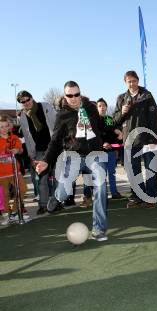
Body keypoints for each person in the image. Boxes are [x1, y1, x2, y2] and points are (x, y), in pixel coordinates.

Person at [36, 81, 108, 242]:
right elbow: (55, 141)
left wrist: (114, 129)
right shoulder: (62, 115)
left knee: (101, 186)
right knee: (63, 191)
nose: (74, 98)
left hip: (95, 155)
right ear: (65, 96)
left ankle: (99, 228)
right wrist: (46, 160)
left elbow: (102, 125)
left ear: (80, 93)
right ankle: (56, 197)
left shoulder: (91, 108)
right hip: (73, 156)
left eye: (77, 94)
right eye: (70, 95)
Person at [113, 70, 157, 208]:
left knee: (150, 169)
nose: (132, 83)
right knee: (134, 171)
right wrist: (122, 112)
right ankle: (137, 197)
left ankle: (151, 197)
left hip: (146, 139)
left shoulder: (147, 95)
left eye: (134, 81)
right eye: (129, 81)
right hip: (129, 141)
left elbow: (154, 119)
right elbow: (115, 120)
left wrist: (154, 139)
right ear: (125, 82)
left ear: (138, 81)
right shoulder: (121, 98)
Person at [16, 90, 56, 215]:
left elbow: (57, 124)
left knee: (57, 178)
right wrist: (31, 155)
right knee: (41, 179)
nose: (26, 103)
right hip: (39, 151)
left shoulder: (45, 106)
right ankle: (43, 205)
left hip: (54, 148)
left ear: (32, 98)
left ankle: (55, 203)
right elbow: (27, 138)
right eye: (23, 102)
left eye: (28, 99)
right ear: (21, 104)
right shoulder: (22, 116)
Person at [81, 98, 124, 207]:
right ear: (96, 108)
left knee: (112, 172)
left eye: (104, 105)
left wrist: (117, 138)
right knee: (100, 174)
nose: (102, 107)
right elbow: (96, 134)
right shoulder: (94, 120)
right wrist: (103, 143)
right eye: (99, 105)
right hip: (100, 151)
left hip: (112, 151)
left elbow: (113, 131)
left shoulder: (110, 118)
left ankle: (114, 193)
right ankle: (101, 195)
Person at [0, 116, 30, 225]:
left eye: (5, 126)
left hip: (15, 172)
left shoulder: (14, 138)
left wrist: (18, 150)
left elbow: (21, 150)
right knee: (5, 195)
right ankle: (7, 215)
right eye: (1, 127)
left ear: (9, 127)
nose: (3, 129)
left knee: (22, 189)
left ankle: (14, 212)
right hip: (1, 174)